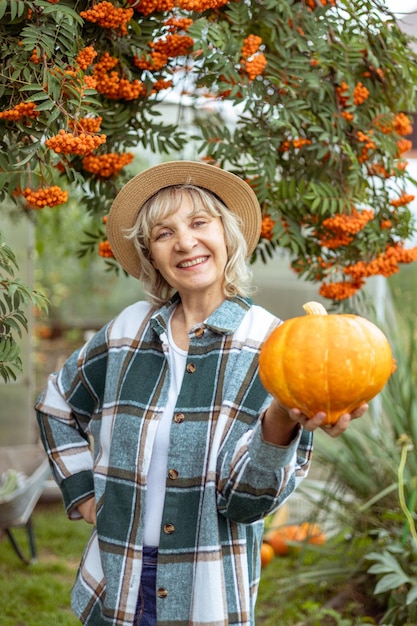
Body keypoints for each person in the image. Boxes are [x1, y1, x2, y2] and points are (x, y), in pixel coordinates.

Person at [35, 160, 367, 626]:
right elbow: (56, 405)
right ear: (151, 255)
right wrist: (82, 490)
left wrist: (279, 424)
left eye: (198, 223)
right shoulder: (127, 331)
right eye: (164, 233)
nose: (185, 242)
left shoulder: (275, 347)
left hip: (206, 593)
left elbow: (246, 506)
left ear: (226, 234)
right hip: (116, 580)